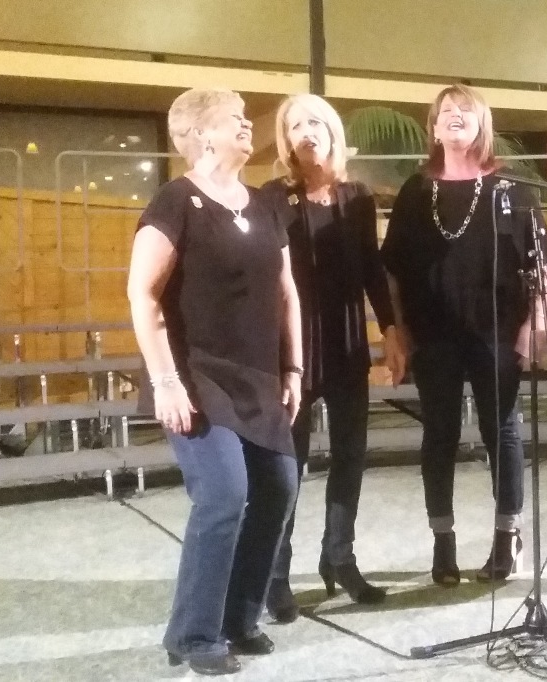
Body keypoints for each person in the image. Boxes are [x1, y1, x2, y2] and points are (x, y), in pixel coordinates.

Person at [127, 88, 302, 675]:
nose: (249, 126)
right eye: (236, 119)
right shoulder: (176, 200)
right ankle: (192, 633)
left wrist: (294, 367)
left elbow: (287, 293)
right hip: (195, 374)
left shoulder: (264, 205)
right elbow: (142, 293)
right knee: (225, 493)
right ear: (202, 133)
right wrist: (166, 380)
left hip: (258, 375)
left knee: (278, 489)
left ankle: (239, 619)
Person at [381, 84, 547, 585]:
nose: (455, 116)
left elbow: (540, 261)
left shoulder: (510, 188)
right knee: (440, 433)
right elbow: (392, 270)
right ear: (434, 128)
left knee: (502, 431)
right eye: (446, 111)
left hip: (498, 329)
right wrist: (397, 331)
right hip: (433, 332)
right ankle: (443, 541)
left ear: (482, 125)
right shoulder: (416, 192)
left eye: (465, 110)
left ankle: (507, 537)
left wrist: (535, 323)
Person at [259, 93, 405, 619]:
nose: (306, 131)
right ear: (286, 139)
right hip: (292, 348)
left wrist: (390, 328)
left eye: (315, 122)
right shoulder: (271, 198)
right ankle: (275, 573)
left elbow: (371, 268)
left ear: (332, 132)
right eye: (296, 125)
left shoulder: (357, 197)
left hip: (345, 343)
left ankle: (339, 558)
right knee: (289, 465)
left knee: (350, 456)